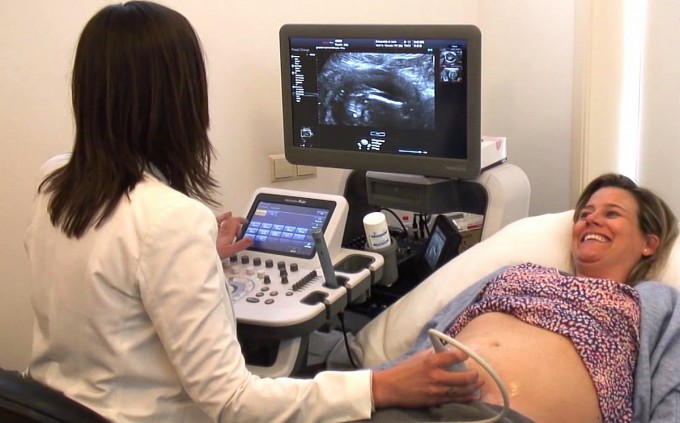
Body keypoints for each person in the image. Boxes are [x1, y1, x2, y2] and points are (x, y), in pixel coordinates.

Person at [22, 2, 482, 422]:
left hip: (60, 408)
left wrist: (191, 255)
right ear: (181, 98)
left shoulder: (55, 182)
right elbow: (232, 402)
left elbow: (113, 272)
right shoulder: (170, 222)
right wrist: (379, 385)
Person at [370, 173, 680, 423]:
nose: (591, 220)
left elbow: (672, 391)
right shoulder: (517, 273)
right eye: (584, 214)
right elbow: (435, 332)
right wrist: (373, 387)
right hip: (415, 406)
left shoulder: (654, 302)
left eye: (612, 214)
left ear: (649, 244)